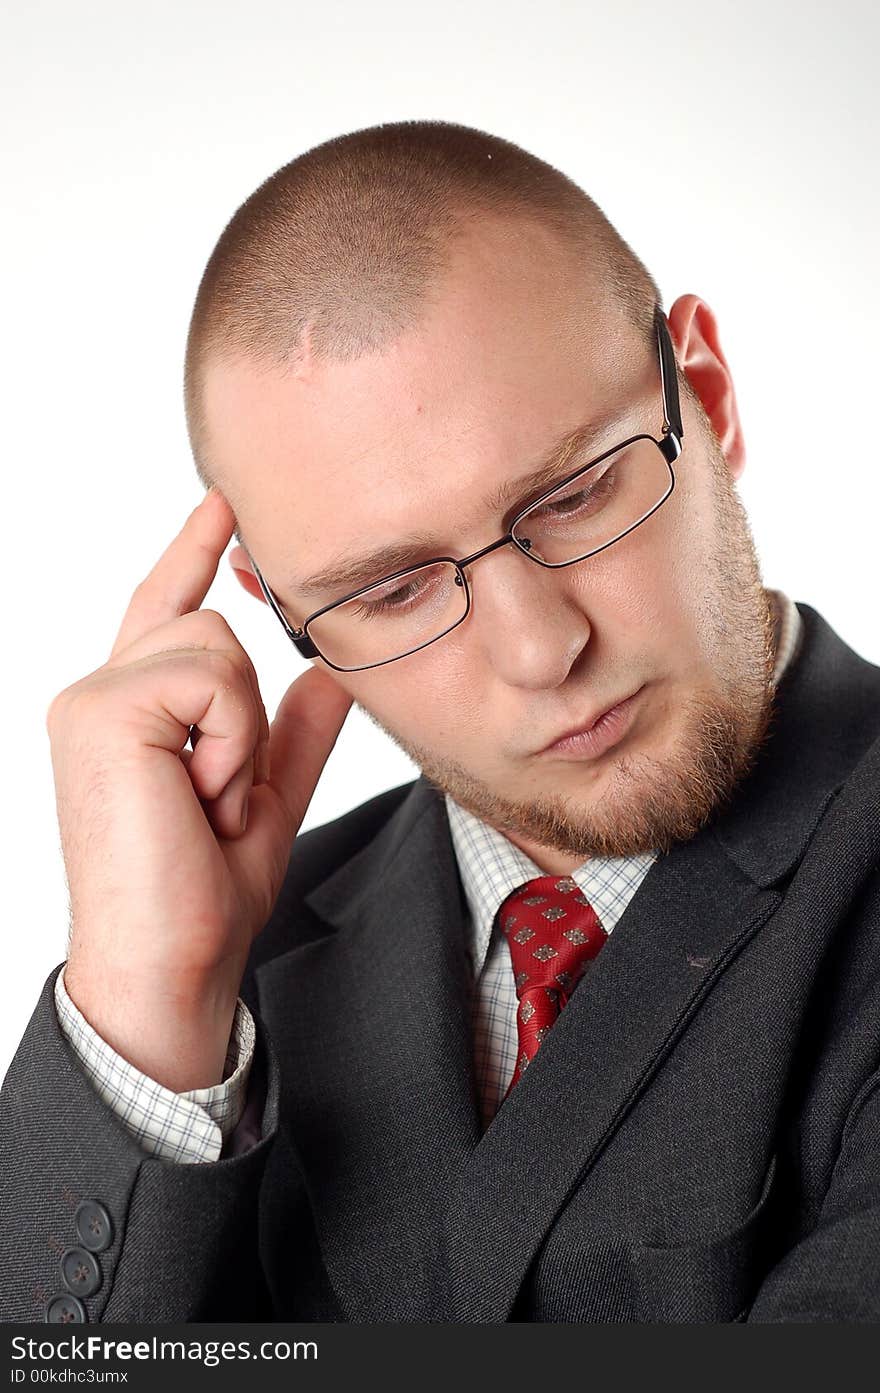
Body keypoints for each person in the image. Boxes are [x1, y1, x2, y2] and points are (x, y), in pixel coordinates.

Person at [2, 119, 879, 1326]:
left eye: (574, 498)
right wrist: (142, 1016)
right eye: (391, 588)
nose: (539, 648)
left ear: (710, 403)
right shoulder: (221, 983)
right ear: (288, 617)